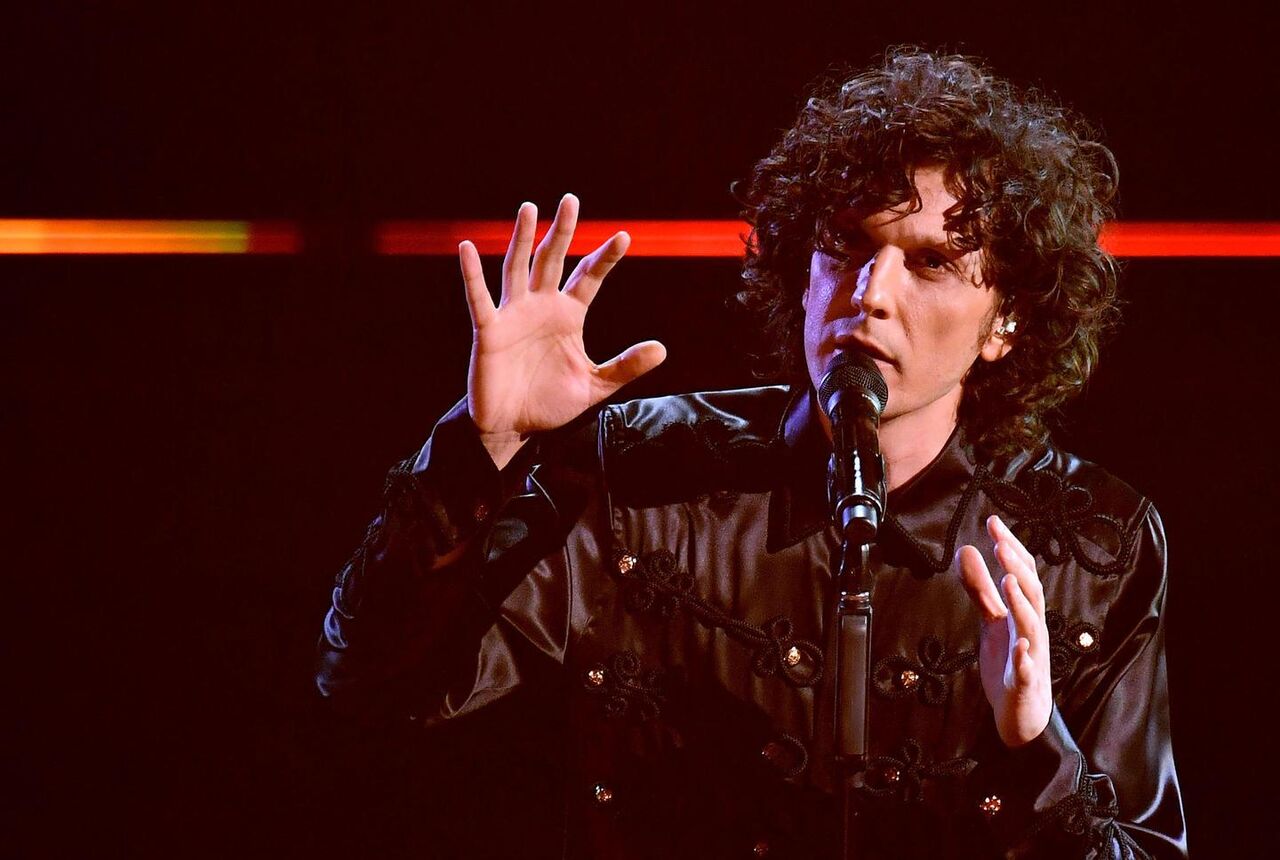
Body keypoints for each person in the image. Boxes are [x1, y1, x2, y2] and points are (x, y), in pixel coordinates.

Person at [316, 48, 1186, 858]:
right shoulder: (641, 470)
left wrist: (1036, 747)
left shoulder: (1092, 545)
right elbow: (374, 689)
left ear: (1006, 321)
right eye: (848, 245)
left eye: (930, 264)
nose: (871, 294)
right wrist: (485, 447)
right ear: (804, 271)